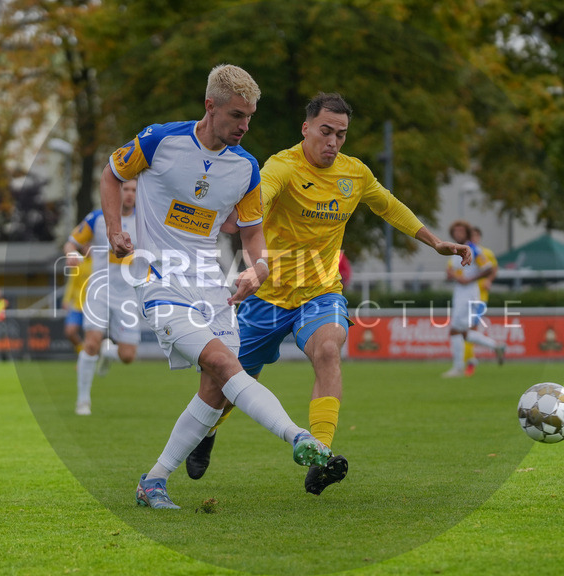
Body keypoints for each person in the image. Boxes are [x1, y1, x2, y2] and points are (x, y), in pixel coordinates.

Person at [187, 92, 472, 496]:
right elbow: (259, 196)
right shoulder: (282, 166)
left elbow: (389, 206)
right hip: (268, 296)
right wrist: (238, 219)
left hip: (321, 292)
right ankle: (207, 431)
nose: (333, 142)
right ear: (306, 129)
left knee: (327, 350)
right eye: (326, 132)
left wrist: (436, 242)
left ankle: (319, 453)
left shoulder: (355, 174)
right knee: (226, 383)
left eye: (341, 134)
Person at [101, 64, 332, 509]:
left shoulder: (245, 169)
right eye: (236, 116)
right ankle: (299, 438)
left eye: (250, 117)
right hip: (160, 281)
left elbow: (251, 234)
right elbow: (111, 174)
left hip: (212, 287)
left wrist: (257, 270)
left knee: (215, 386)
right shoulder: (159, 140)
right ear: (210, 106)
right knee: (226, 366)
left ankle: (153, 481)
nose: (245, 126)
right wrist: (115, 229)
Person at [63, 177, 141, 416]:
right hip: (99, 289)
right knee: (91, 342)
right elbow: (71, 243)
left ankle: (108, 352)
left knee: (127, 356)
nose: (129, 194)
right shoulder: (97, 218)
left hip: (128, 292)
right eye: (124, 189)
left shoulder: (145, 220)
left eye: (133, 190)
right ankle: (83, 400)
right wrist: (71, 255)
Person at [443, 220, 504, 378]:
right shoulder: (454, 251)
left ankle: (458, 368)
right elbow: (451, 272)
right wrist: (452, 275)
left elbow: (488, 268)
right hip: (459, 293)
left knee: (456, 330)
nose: (458, 234)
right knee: (463, 332)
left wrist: (469, 280)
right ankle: (496, 346)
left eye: (461, 231)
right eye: (455, 231)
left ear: (467, 233)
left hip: (470, 294)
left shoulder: (474, 249)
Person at [462, 225, 500, 371]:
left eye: (476, 235)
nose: (474, 238)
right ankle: (494, 347)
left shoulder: (485, 253)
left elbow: (494, 268)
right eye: (471, 236)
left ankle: (470, 362)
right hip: (465, 297)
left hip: (479, 299)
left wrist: (489, 279)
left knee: (469, 330)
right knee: (465, 331)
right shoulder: (462, 251)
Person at [61, 251, 92, 353]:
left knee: (91, 336)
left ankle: (89, 359)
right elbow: (71, 283)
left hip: (93, 305)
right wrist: (66, 299)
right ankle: (83, 354)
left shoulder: (99, 262)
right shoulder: (78, 262)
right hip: (77, 304)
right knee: (70, 332)